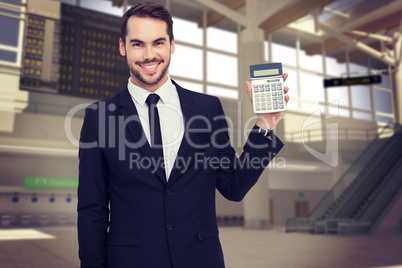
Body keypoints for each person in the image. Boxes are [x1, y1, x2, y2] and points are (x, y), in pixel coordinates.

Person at [77, 2, 289, 268]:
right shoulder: (99, 118)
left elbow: (233, 187)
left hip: (200, 259)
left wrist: (265, 126)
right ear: (122, 47)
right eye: (137, 44)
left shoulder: (208, 109)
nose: (149, 54)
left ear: (171, 45)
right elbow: (92, 209)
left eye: (158, 42)